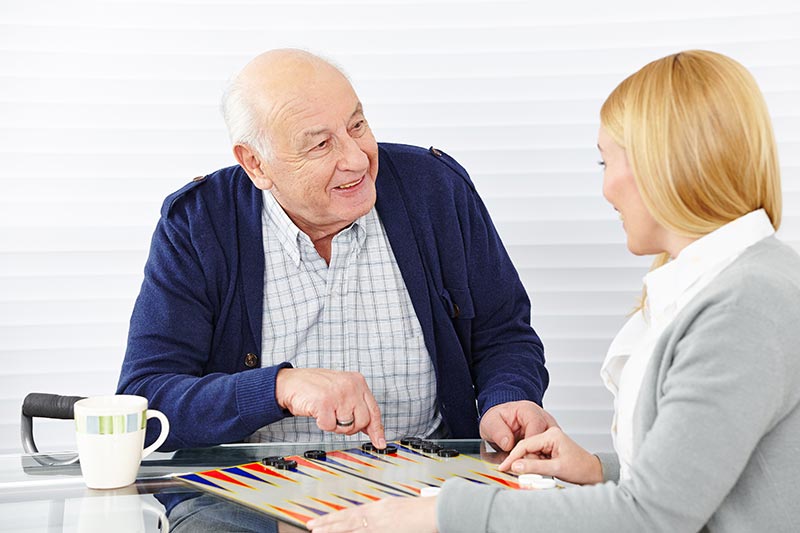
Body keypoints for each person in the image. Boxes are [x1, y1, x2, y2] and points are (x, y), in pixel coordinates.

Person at [308, 49, 800, 533]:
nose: (605, 190)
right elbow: (694, 481)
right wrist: (595, 469)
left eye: (606, 162)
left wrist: (439, 514)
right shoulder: (741, 285)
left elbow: (652, 517)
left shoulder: (745, 304)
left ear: (665, 166)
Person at [117, 50, 550, 457]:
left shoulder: (434, 189)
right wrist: (277, 388)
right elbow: (146, 401)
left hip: (423, 477)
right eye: (320, 144)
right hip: (246, 489)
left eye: (357, 126)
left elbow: (504, 335)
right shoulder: (200, 223)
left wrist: (506, 400)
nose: (357, 160)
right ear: (256, 164)